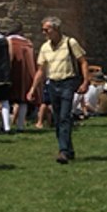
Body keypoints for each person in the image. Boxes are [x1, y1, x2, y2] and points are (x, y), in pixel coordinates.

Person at [29, 16, 87, 163]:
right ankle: (69, 149)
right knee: (58, 118)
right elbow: (41, 70)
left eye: (46, 29)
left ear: (56, 29)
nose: (44, 33)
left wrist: (86, 81)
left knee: (64, 117)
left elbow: (83, 62)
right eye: (43, 30)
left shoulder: (70, 43)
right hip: (52, 84)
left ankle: (63, 151)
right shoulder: (45, 47)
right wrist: (32, 89)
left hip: (67, 82)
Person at [5, 19, 36, 131]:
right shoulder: (27, 43)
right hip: (24, 75)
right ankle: (20, 125)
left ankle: (6, 125)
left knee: (6, 99)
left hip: (10, 72)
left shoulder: (7, 41)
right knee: (23, 100)